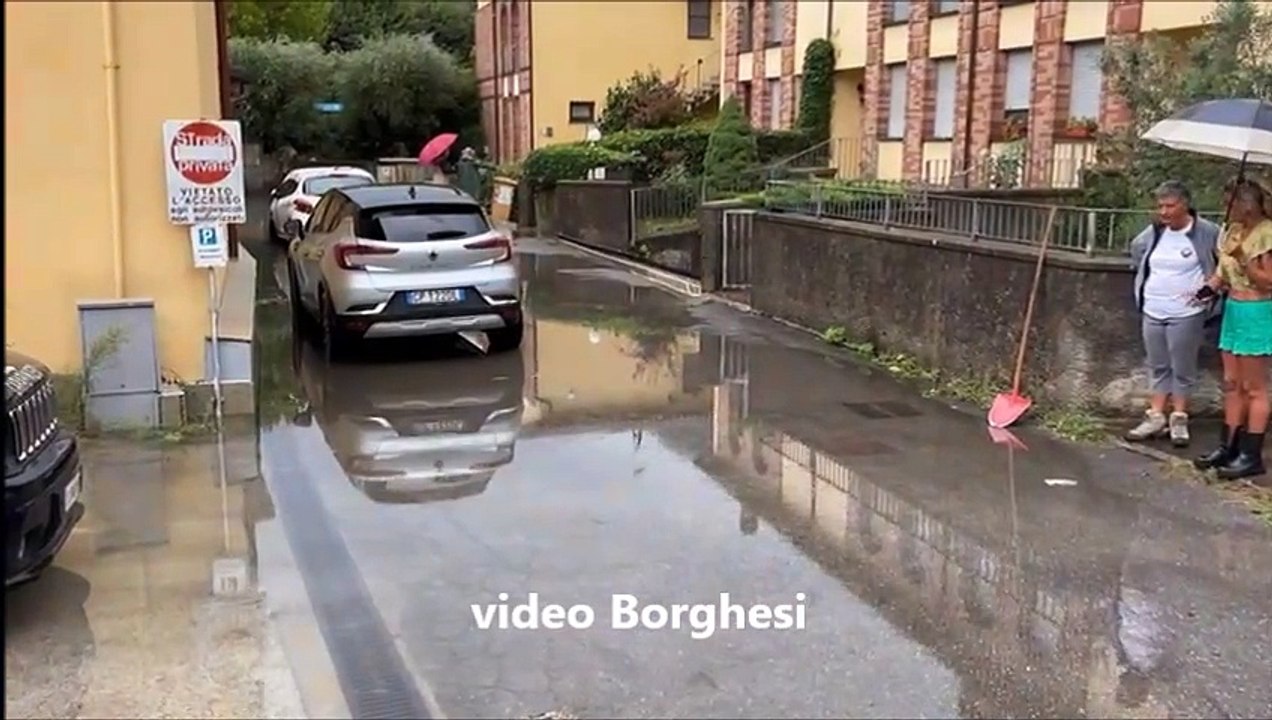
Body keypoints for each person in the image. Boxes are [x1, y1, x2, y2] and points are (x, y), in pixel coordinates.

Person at [1125, 181, 1222, 447]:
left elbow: (1224, 262)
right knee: (1157, 364)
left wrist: (1208, 289)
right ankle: (1155, 415)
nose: (1164, 212)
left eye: (1170, 206)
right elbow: (1137, 251)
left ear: (1185, 205)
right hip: (1153, 307)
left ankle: (1179, 417)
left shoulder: (1206, 232)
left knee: (1182, 366)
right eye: (1160, 207)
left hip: (1187, 311)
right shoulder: (1154, 232)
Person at [1192, 180, 1272, 479]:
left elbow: (1267, 280)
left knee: (1254, 387)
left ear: (1247, 203)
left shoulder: (1267, 233)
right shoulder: (1234, 231)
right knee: (1231, 382)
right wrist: (1204, 291)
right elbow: (1222, 273)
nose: (1228, 208)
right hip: (1234, 309)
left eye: (1231, 202)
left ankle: (1251, 455)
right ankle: (1229, 446)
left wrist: (1244, 259)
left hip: (1257, 309)